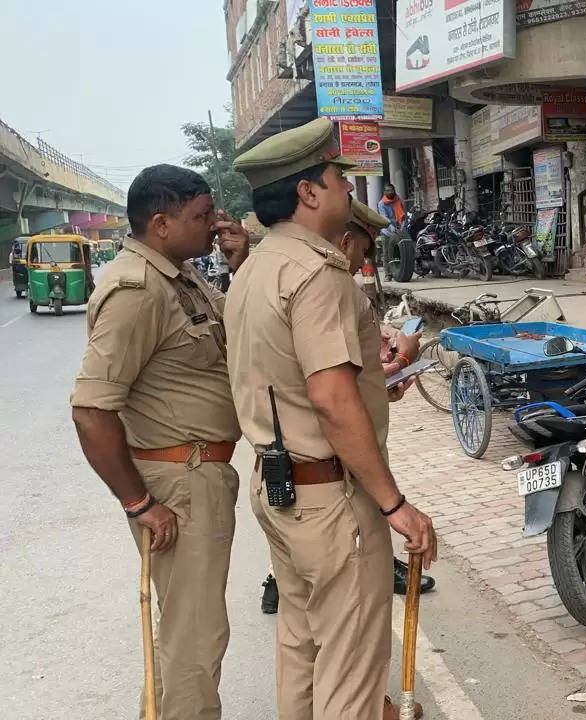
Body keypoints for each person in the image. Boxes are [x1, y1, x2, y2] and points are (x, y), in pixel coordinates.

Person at [227, 118, 436, 720]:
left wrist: (374, 371)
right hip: (328, 498)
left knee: (301, 651)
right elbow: (330, 399)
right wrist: (395, 505)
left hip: (279, 488)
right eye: (338, 177)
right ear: (309, 192)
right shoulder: (317, 273)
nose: (348, 189)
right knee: (350, 677)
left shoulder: (257, 270)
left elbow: (291, 376)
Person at [70, 164, 250, 719]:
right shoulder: (137, 290)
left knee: (185, 633)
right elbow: (90, 410)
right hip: (179, 482)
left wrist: (240, 264)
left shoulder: (179, 274)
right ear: (161, 223)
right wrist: (139, 502)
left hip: (201, 476)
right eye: (200, 216)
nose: (213, 224)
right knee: (195, 639)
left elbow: (230, 338)